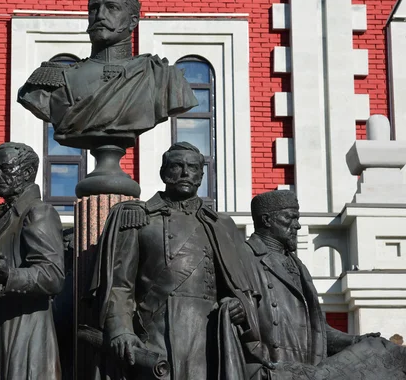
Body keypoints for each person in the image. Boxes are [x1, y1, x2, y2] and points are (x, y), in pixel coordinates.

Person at [88, 142, 261, 380]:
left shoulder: (222, 225)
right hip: (155, 336)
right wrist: (121, 330)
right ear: (163, 173)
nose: (184, 173)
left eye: (192, 167)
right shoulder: (139, 219)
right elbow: (120, 284)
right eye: (176, 166)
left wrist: (238, 307)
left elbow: (240, 289)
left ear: (201, 176)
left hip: (208, 340)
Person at [243, 190, 406, 379]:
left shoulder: (298, 266)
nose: (297, 225)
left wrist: (355, 340)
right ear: (267, 220)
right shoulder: (243, 257)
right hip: (271, 371)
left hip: (305, 370)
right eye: (290, 217)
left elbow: (319, 330)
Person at [17, 0, 197, 150]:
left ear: (133, 21)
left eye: (112, 8)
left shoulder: (163, 78)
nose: (100, 15)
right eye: (94, 9)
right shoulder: (52, 80)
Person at [0, 142, 65, 380]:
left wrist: (8, 275)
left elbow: (53, 275)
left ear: (28, 173)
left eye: (4, 168)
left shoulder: (38, 213)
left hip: (21, 333)